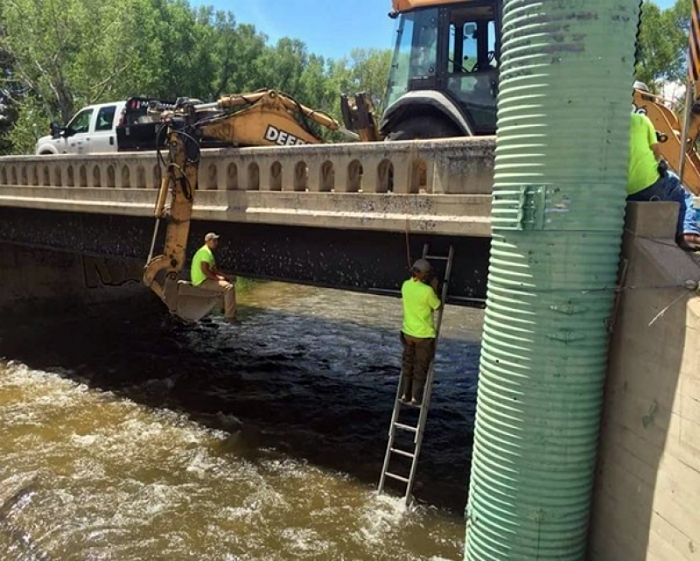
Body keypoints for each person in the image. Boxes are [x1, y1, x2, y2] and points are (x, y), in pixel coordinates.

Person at [627, 111, 700, 251]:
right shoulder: (642, 119)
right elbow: (656, 152)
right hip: (649, 184)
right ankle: (688, 232)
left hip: (623, 189)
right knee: (681, 193)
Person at [399, 259, 441, 406]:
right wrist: (435, 288)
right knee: (420, 368)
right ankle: (416, 398)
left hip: (407, 333)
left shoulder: (405, 285)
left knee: (408, 364)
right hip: (423, 335)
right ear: (424, 275)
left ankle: (405, 394)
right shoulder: (427, 291)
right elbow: (437, 306)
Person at [190, 232, 237, 322]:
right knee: (229, 287)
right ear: (207, 241)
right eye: (214, 240)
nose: (216, 243)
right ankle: (230, 317)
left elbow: (215, 270)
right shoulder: (205, 252)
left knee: (228, 283)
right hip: (201, 281)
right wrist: (217, 279)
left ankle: (224, 309)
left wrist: (226, 277)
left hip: (206, 279)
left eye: (216, 240)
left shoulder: (208, 253)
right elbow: (205, 270)